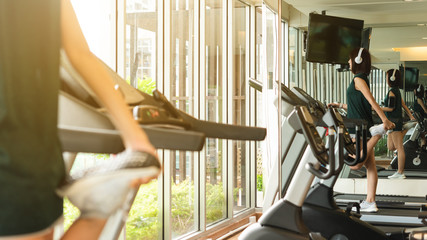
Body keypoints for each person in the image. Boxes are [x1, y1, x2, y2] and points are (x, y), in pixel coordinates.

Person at [0, 0, 161, 239]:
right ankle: (99, 209)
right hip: (37, 152)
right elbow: (81, 55)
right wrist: (135, 138)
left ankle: (99, 209)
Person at [329, 48, 395, 213]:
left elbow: (372, 102)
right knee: (371, 166)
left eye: (350, 60)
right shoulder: (362, 79)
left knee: (355, 164)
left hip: (357, 127)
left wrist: (384, 121)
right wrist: (339, 105)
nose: (349, 62)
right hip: (362, 124)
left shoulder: (358, 80)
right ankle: (370, 202)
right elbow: (360, 104)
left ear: (357, 61)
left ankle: (377, 134)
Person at [372, 69, 415, 179]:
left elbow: (390, 108)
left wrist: (377, 108)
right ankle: (404, 130)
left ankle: (400, 172)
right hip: (394, 122)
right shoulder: (395, 90)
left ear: (391, 78)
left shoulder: (392, 92)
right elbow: (403, 104)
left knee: (399, 147)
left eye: (386, 77)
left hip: (394, 122)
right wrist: (410, 116)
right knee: (391, 146)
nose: (386, 79)